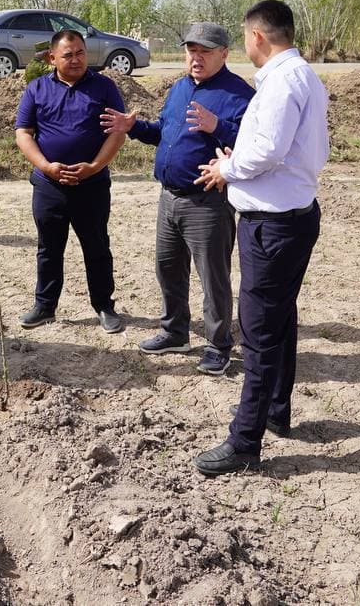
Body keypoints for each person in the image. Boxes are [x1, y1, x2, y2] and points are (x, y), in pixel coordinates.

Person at [190, 0, 329, 476]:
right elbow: (278, 149)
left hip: (271, 225)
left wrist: (227, 167)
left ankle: (244, 440)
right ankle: (276, 409)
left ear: (257, 37)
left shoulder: (279, 83)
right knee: (280, 319)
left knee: (259, 332)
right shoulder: (304, 76)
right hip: (293, 215)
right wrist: (240, 159)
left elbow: (265, 151)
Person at [100, 22, 254, 374]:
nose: (196, 58)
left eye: (205, 51)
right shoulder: (180, 88)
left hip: (207, 202)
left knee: (212, 278)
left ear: (224, 54)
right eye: (191, 50)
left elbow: (254, 146)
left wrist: (219, 126)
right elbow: (164, 134)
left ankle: (218, 345)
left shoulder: (239, 95)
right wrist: (133, 127)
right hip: (169, 198)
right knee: (168, 269)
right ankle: (175, 332)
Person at [15, 28, 128, 333]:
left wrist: (94, 165)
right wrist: (46, 166)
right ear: (52, 58)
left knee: (96, 247)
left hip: (91, 185)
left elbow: (118, 131)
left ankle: (104, 306)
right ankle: (44, 305)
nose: (76, 59)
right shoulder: (36, 89)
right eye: (68, 55)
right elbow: (23, 134)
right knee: (49, 247)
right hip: (49, 185)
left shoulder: (103, 87)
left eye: (80, 53)